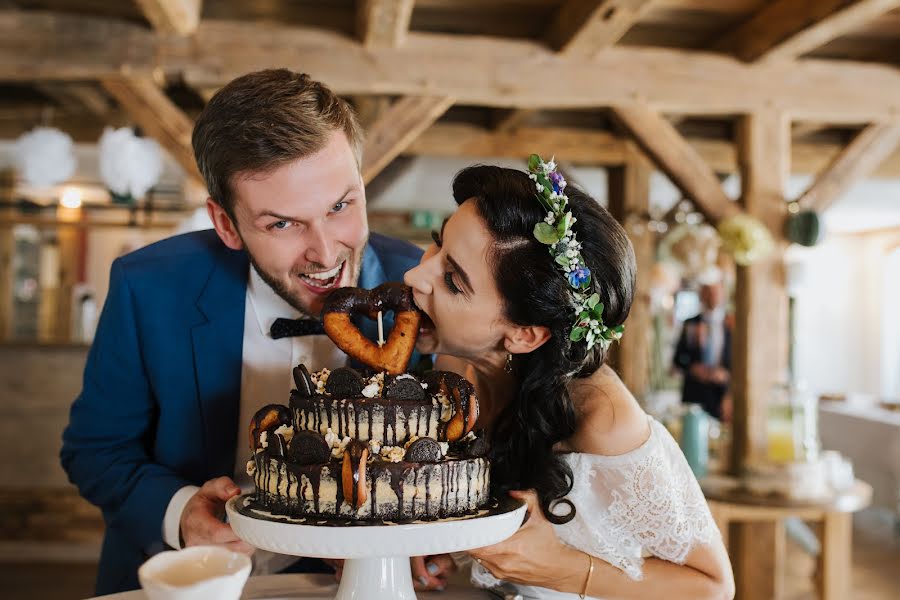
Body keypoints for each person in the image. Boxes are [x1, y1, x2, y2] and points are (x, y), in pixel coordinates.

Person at [60, 69, 423, 595]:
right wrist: (182, 512)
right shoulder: (148, 287)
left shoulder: (417, 287)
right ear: (226, 224)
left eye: (341, 206)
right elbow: (95, 449)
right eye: (282, 223)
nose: (325, 252)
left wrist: (414, 543)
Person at [402, 159, 734, 599]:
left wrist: (560, 569)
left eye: (452, 280)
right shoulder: (453, 372)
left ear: (524, 334)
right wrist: (452, 548)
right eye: (436, 245)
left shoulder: (604, 418)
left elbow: (713, 587)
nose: (413, 275)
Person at [673, 280, 732, 420]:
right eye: (709, 292)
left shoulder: (731, 324)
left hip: (721, 395)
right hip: (694, 394)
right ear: (702, 294)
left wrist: (726, 374)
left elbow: (740, 363)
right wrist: (693, 368)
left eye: (716, 292)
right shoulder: (690, 323)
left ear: (723, 294)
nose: (713, 296)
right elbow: (677, 359)